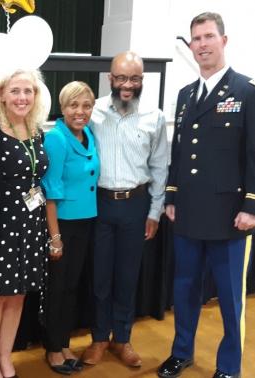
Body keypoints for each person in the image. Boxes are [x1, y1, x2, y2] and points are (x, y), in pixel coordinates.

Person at [157, 12, 255, 378]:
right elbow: (180, 152)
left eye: (208, 37)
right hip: (188, 214)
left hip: (231, 216)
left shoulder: (246, 91)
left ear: (224, 41)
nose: (201, 44)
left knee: (230, 301)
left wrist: (251, 206)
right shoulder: (185, 95)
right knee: (184, 290)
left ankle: (229, 367)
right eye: (196, 38)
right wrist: (171, 196)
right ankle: (181, 352)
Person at [82, 51, 169, 368]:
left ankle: (123, 339)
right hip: (99, 205)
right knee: (100, 276)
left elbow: (160, 167)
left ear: (142, 80)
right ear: (110, 79)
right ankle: (98, 339)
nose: (127, 85)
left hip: (137, 205)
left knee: (128, 276)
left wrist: (154, 211)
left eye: (134, 78)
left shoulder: (154, 116)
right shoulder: (93, 112)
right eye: (121, 78)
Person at [0, 69, 49, 378]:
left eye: (28, 91)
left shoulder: (37, 131)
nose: (22, 97)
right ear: (1, 94)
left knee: (17, 296)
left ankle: (5, 356)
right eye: (15, 91)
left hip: (30, 226)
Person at [41, 81, 100, 375]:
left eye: (86, 105)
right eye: (74, 106)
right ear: (62, 109)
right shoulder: (56, 139)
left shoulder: (88, 133)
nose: (81, 112)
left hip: (86, 221)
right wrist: (55, 238)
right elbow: (50, 192)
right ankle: (52, 349)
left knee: (71, 288)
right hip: (62, 224)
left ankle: (64, 343)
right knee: (58, 289)